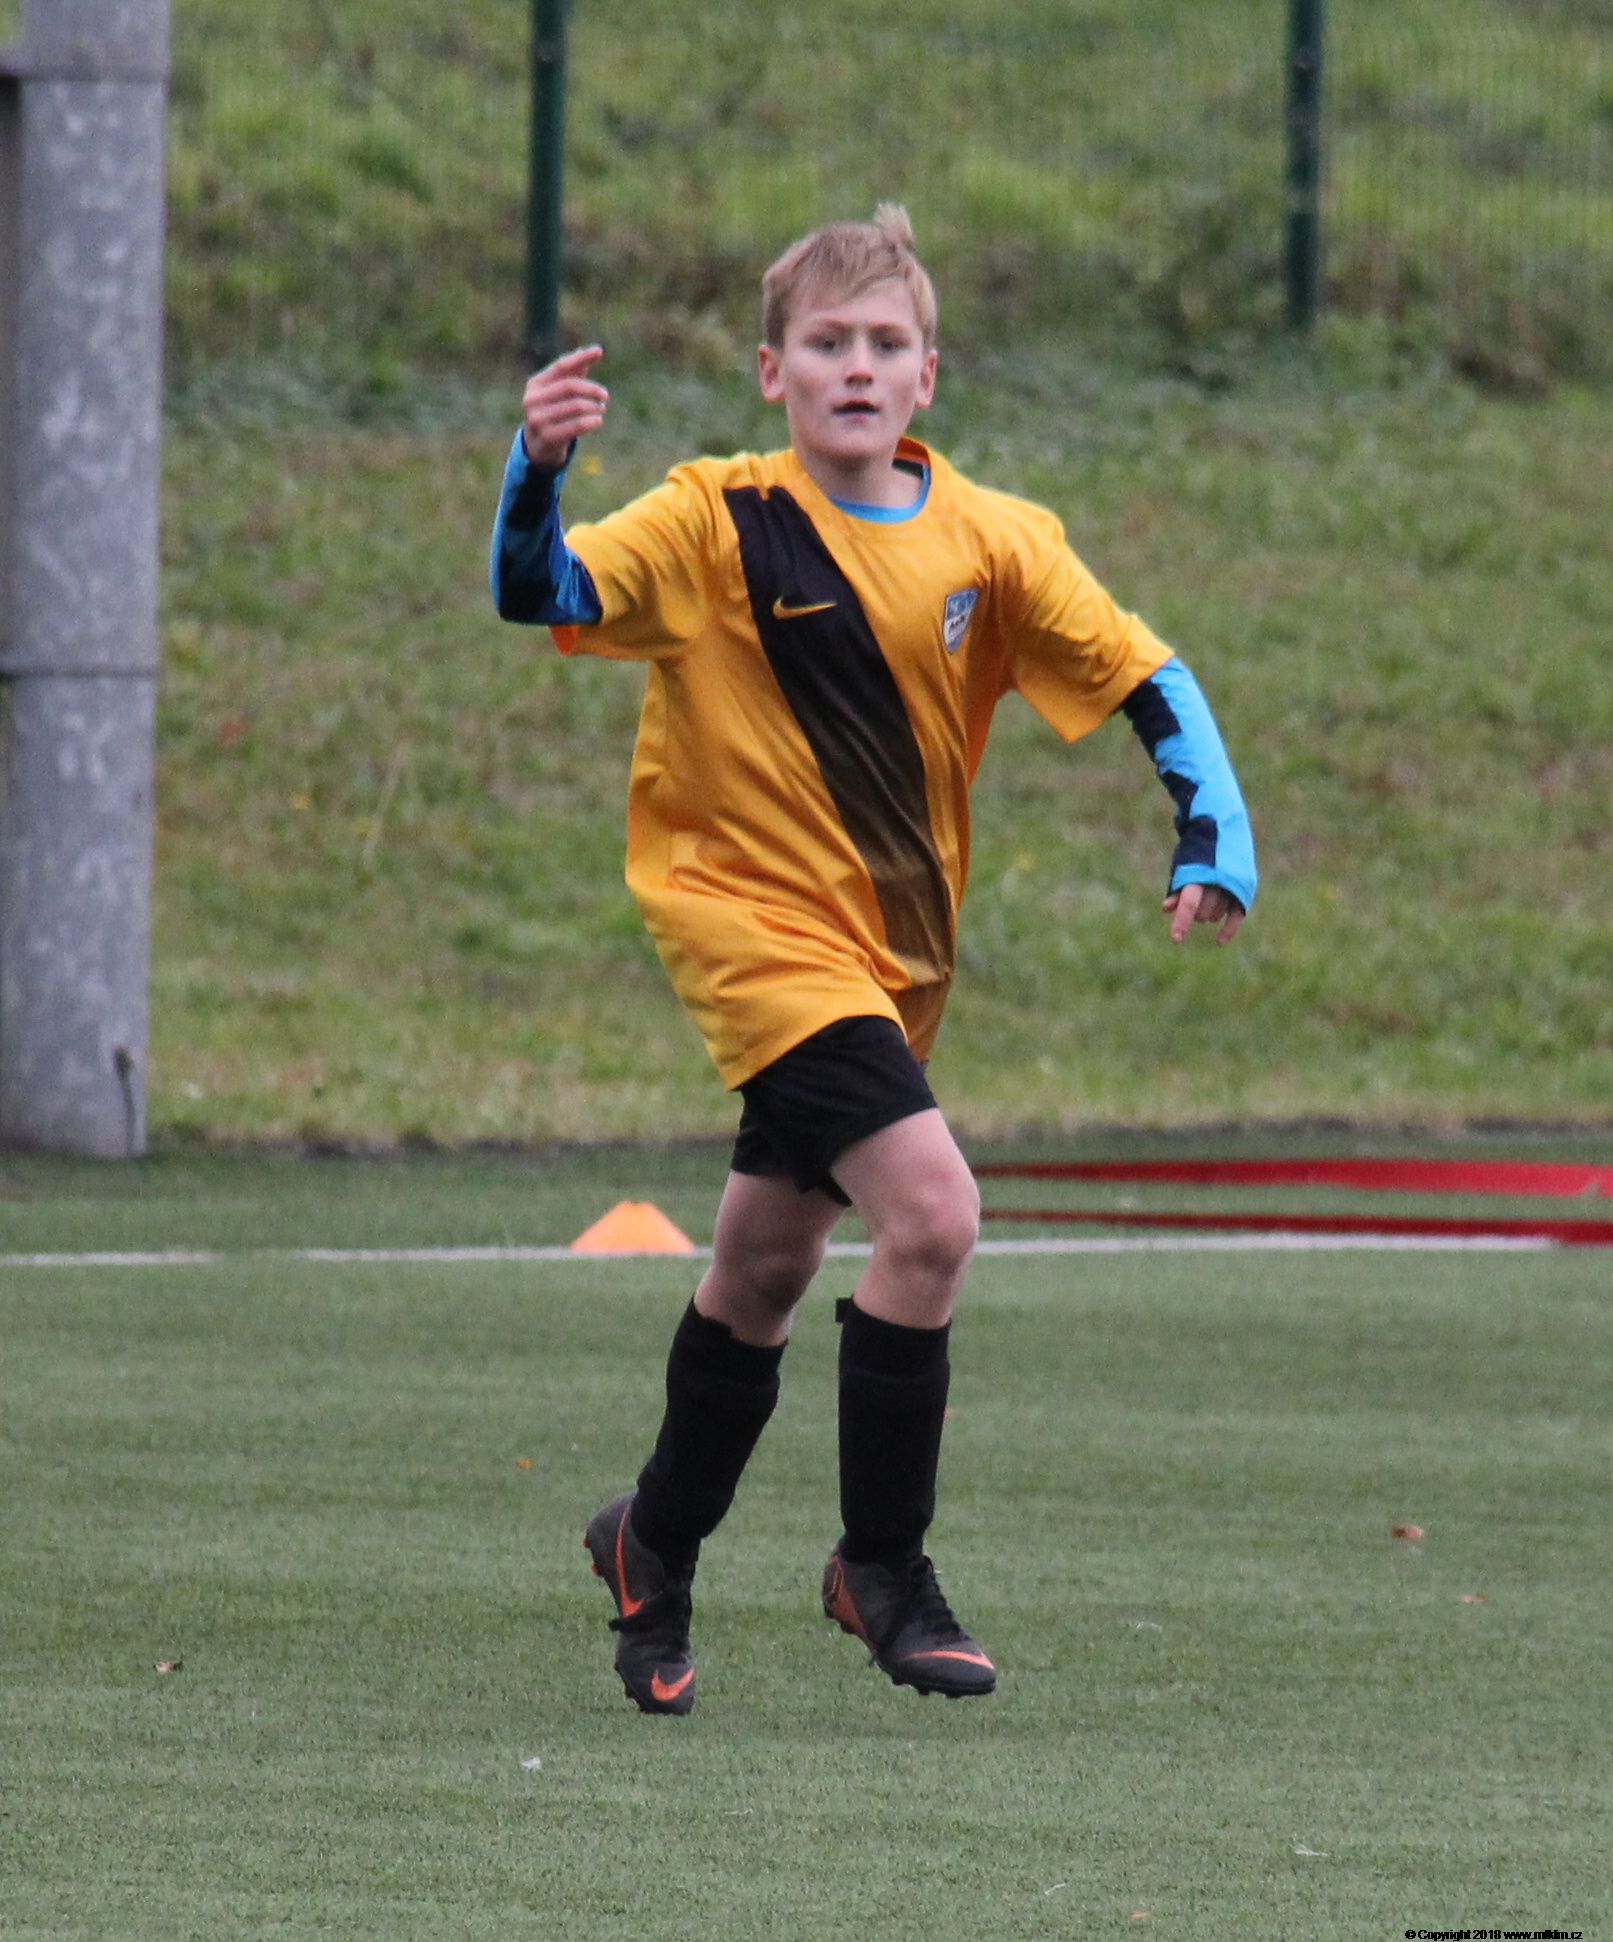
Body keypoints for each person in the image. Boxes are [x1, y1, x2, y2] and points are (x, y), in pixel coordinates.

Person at [490, 205, 1255, 1717]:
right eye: (825, 342)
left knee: (762, 1268)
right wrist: (537, 470)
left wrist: (1210, 833)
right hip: (754, 935)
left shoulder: (995, 540)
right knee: (936, 1215)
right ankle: (881, 1569)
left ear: (926, 378)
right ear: (771, 372)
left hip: (891, 959)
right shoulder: (714, 519)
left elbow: (1146, 674)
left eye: (884, 343)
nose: (856, 365)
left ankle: (649, 1540)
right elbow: (544, 591)